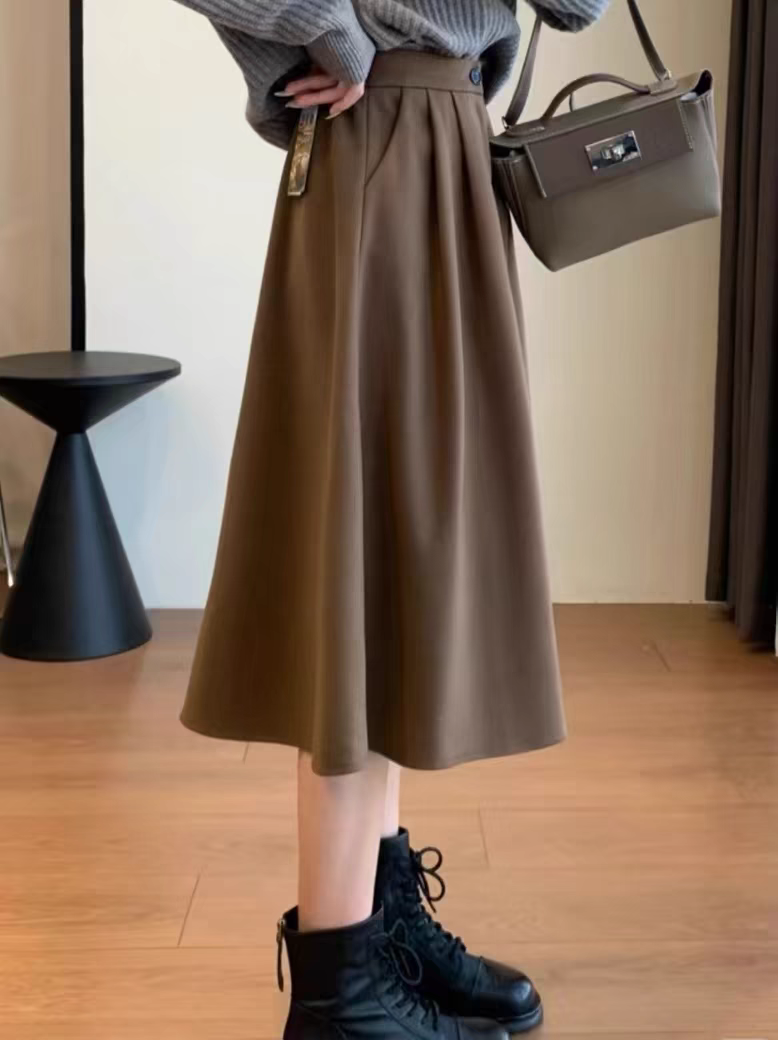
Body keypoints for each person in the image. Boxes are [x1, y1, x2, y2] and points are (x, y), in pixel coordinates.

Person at [171, 2, 609, 1038]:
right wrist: (322, 25)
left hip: (443, 137)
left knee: (396, 555)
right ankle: (341, 991)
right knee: (364, 555)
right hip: (384, 137)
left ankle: (375, 927)